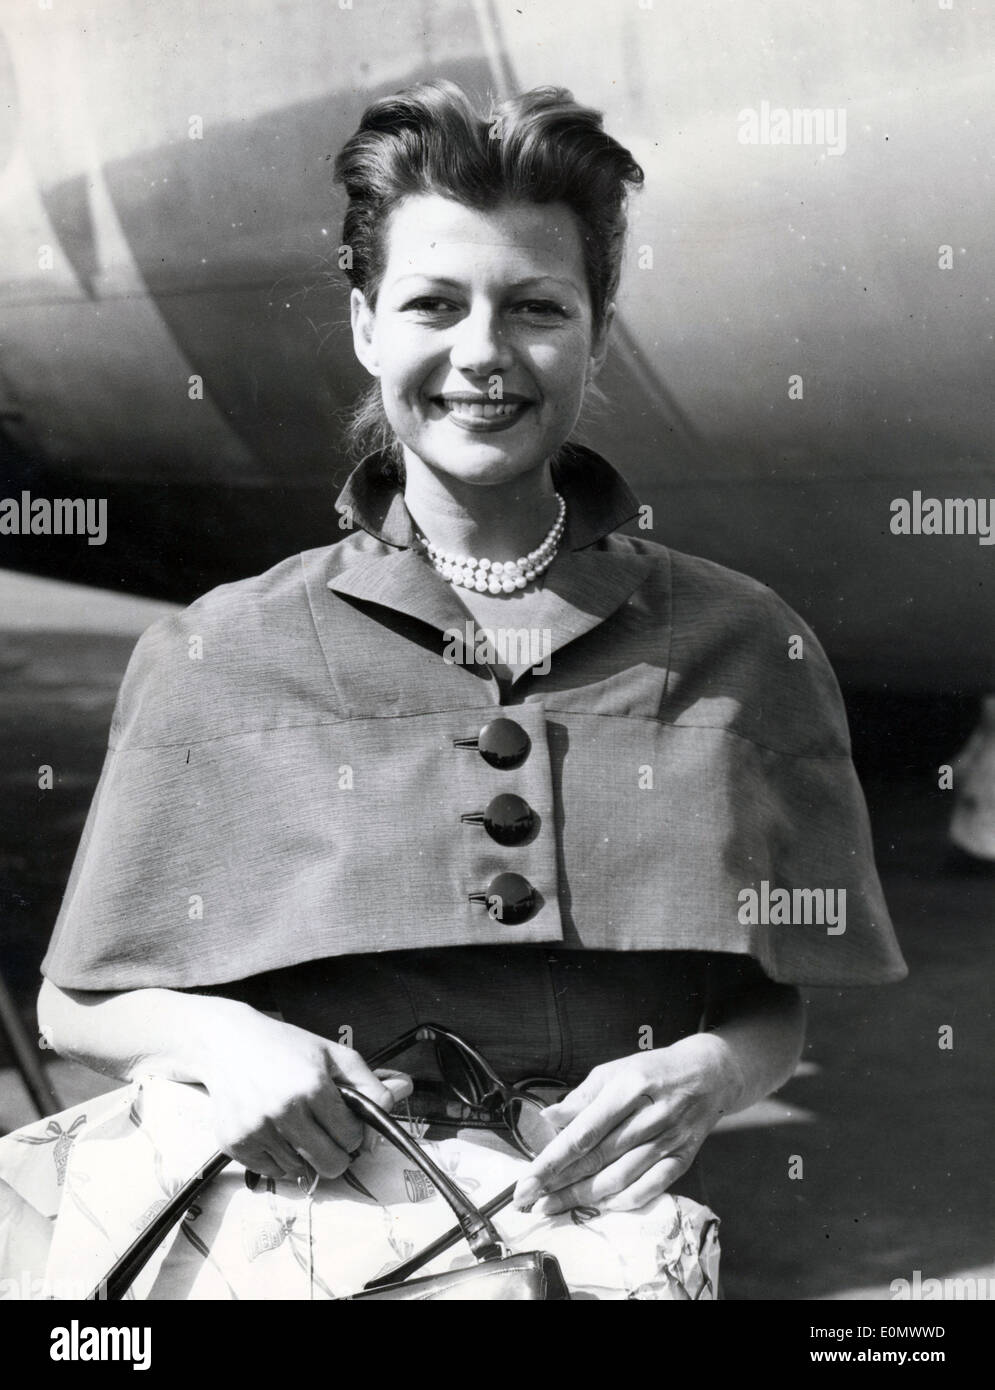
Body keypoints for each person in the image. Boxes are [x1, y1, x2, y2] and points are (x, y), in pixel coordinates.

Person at [29, 81, 905, 1272]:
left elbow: (765, 994)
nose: (482, 354)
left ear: (598, 326)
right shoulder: (219, 648)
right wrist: (226, 1044)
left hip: (601, 1261)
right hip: (298, 1257)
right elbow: (75, 1005)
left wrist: (708, 1069)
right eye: (433, 303)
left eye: (536, 305)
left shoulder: (744, 643)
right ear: (364, 326)